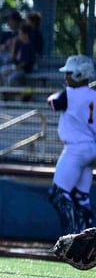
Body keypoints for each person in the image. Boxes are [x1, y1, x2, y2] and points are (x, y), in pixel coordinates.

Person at [47, 55, 96, 235]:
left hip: (75, 149)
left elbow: (53, 103)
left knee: (58, 195)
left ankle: (72, 234)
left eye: (68, 74)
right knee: (81, 198)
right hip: (92, 149)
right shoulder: (94, 96)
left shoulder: (69, 94)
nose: (65, 77)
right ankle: (89, 234)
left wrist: (55, 94)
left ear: (78, 74)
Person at [0, 22, 36, 90]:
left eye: (20, 33)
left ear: (25, 35)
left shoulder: (29, 46)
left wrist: (11, 70)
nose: (18, 35)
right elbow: (11, 58)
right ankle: (3, 94)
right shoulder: (19, 44)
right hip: (15, 67)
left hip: (23, 69)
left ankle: (23, 93)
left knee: (10, 78)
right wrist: (14, 44)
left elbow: (24, 63)